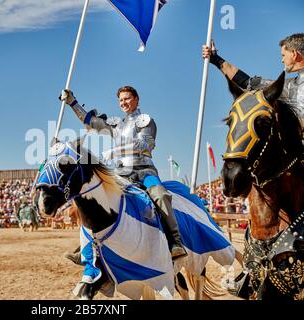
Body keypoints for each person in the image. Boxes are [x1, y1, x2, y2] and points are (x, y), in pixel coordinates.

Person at [60, 86, 187, 261]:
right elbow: (90, 121)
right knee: (98, 196)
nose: (123, 102)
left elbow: (144, 145)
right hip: (121, 172)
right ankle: (87, 248)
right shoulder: (117, 125)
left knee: (160, 195)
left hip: (144, 170)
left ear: (136, 99)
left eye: (127, 98)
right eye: (121, 100)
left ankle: (175, 242)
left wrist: (113, 151)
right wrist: (72, 102)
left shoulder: (145, 120)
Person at [202, 33, 304, 137]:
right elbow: (247, 82)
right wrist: (216, 59)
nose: (282, 60)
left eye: (283, 55)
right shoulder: (286, 86)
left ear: (294, 54)